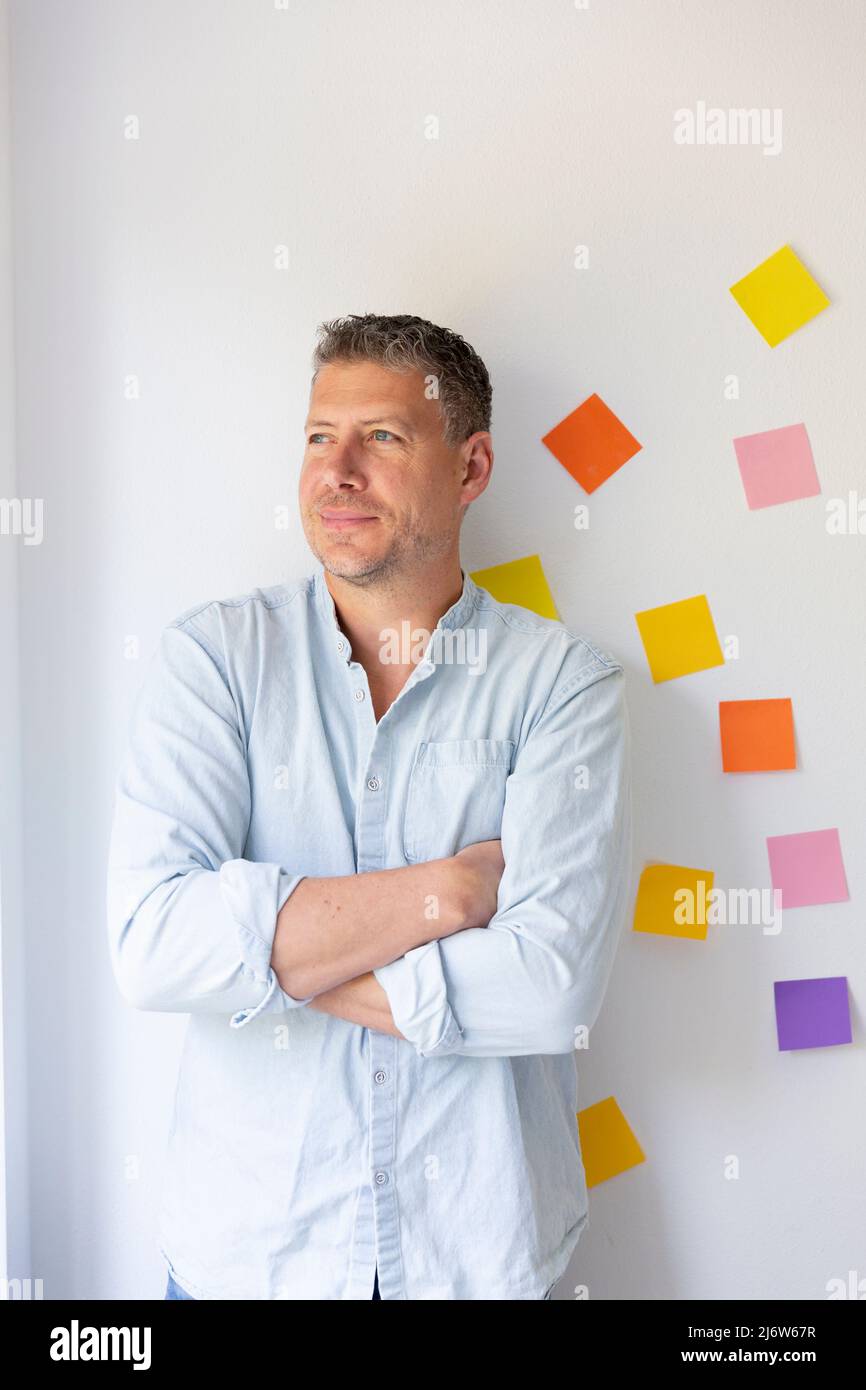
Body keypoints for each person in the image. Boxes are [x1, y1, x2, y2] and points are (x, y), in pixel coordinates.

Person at [107, 313, 633, 1301]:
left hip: (474, 1262)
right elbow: (151, 946)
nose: (334, 472)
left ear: (470, 467)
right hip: (248, 1262)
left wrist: (270, 956)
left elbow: (548, 987)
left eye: (381, 437)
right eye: (317, 437)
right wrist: (451, 889)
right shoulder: (216, 662)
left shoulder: (565, 686)